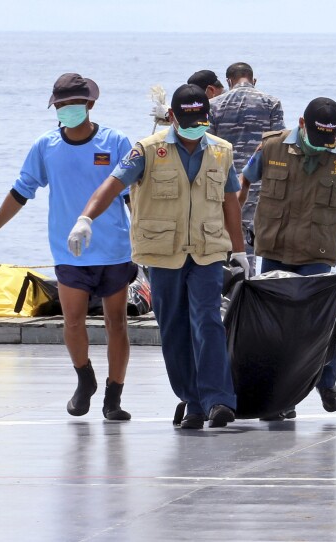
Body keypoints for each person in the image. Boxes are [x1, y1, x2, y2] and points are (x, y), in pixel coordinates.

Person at [70, 83, 247, 430]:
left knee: (208, 321)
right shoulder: (147, 150)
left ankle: (218, 400)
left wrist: (239, 251)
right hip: (163, 254)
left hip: (208, 251)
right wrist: (86, 218)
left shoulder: (221, 151)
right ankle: (192, 401)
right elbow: (112, 185)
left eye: (200, 121)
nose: (194, 127)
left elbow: (230, 203)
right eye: (187, 121)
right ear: (172, 117)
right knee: (174, 328)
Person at [0, 73, 136, 421]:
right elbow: (21, 190)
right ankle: (85, 379)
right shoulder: (45, 146)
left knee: (117, 323)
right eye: (61, 105)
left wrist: (146, 239)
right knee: (73, 321)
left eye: (73, 103)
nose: (67, 109)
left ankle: (114, 397)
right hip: (69, 250)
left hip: (114, 248)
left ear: (89, 103)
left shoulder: (115, 141)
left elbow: (132, 196)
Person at [241, 97, 336, 420]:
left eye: (329, 137)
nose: (324, 144)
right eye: (317, 136)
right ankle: (281, 398)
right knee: (273, 329)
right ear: (302, 123)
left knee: (319, 324)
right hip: (275, 251)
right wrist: (232, 237)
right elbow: (244, 180)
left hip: (317, 254)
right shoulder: (272, 147)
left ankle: (326, 383)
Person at [210, 61, 285, 275]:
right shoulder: (271, 103)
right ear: (254, 80)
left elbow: (209, 147)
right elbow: (278, 145)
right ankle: (248, 285)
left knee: (225, 241)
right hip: (260, 185)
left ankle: (229, 286)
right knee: (253, 243)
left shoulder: (214, 105)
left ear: (228, 81)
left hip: (225, 186)